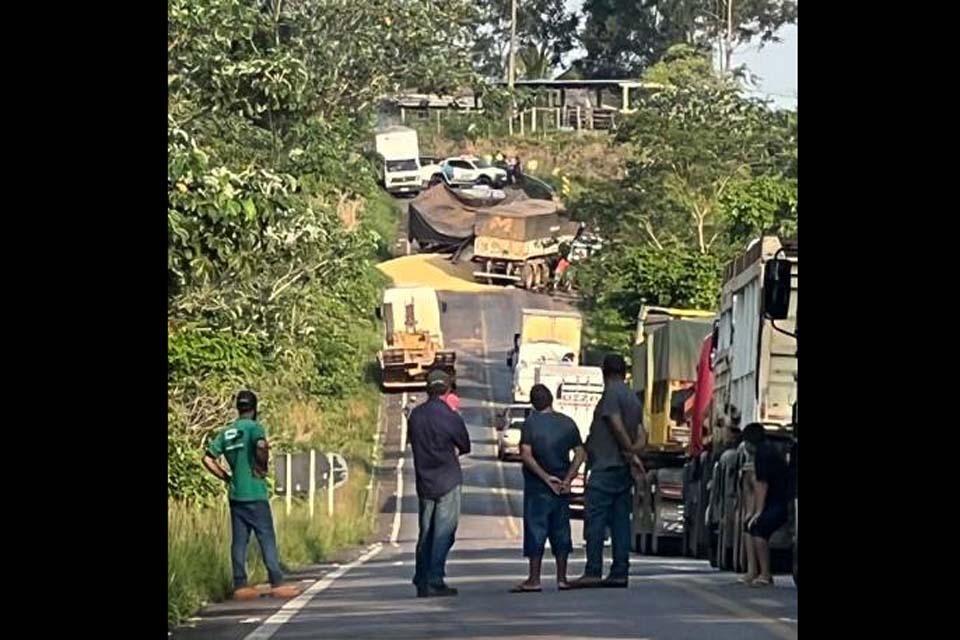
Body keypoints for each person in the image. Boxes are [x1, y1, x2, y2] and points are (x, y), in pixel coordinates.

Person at [202, 391, 300, 600]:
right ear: (254, 408)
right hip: (255, 493)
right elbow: (261, 445)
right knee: (266, 537)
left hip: (236, 494)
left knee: (239, 541)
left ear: (238, 408)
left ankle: (240, 585)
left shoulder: (227, 432)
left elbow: (208, 459)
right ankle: (277, 582)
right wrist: (261, 466)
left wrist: (227, 477)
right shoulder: (255, 428)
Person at [569, 354, 644, 589]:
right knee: (621, 521)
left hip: (606, 466)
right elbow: (643, 433)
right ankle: (620, 570)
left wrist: (627, 448)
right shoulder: (633, 397)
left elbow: (614, 421)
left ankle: (593, 570)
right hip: (622, 469)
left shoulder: (611, 392)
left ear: (604, 372)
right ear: (625, 371)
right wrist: (634, 452)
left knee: (596, 520)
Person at [511, 384, 587, 593]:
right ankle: (562, 578)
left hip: (538, 487)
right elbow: (580, 453)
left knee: (536, 530)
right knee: (561, 529)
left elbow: (526, 454)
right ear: (552, 399)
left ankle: (534, 579)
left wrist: (545, 478)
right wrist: (568, 479)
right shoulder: (567, 423)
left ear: (533, 403)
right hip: (561, 487)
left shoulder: (530, 424)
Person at [407, 369, 472, 597]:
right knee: (444, 532)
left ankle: (421, 577)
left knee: (426, 531)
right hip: (448, 478)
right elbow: (465, 445)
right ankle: (435, 578)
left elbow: (412, 442)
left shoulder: (416, 416)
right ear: (447, 390)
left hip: (424, 479)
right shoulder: (450, 417)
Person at [740, 423, 790, 587]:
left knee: (759, 528)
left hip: (781, 502)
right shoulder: (766, 450)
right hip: (776, 501)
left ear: (749, 442)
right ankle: (753, 571)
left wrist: (758, 512)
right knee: (750, 527)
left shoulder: (764, 454)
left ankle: (765, 574)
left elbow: (762, 485)